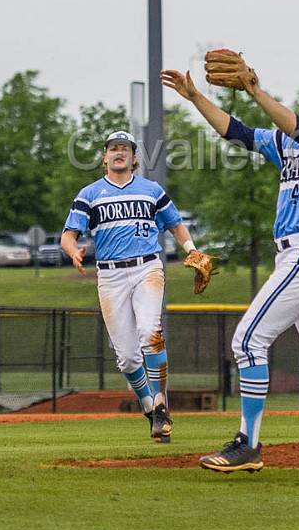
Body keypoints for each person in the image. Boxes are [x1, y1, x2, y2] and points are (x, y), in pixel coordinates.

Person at [161, 56, 299, 477]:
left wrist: (255, 91)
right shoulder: (288, 141)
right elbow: (238, 131)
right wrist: (195, 98)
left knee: (247, 341)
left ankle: (248, 445)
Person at [61, 131, 202, 443]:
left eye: (125, 148)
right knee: (126, 357)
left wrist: (190, 248)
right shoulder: (90, 194)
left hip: (147, 268)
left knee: (150, 332)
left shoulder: (151, 190)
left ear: (135, 158)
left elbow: (175, 224)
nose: (119, 152)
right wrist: (73, 251)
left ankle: (162, 403)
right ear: (104, 158)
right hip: (110, 277)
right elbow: (68, 234)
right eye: (113, 148)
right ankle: (150, 407)